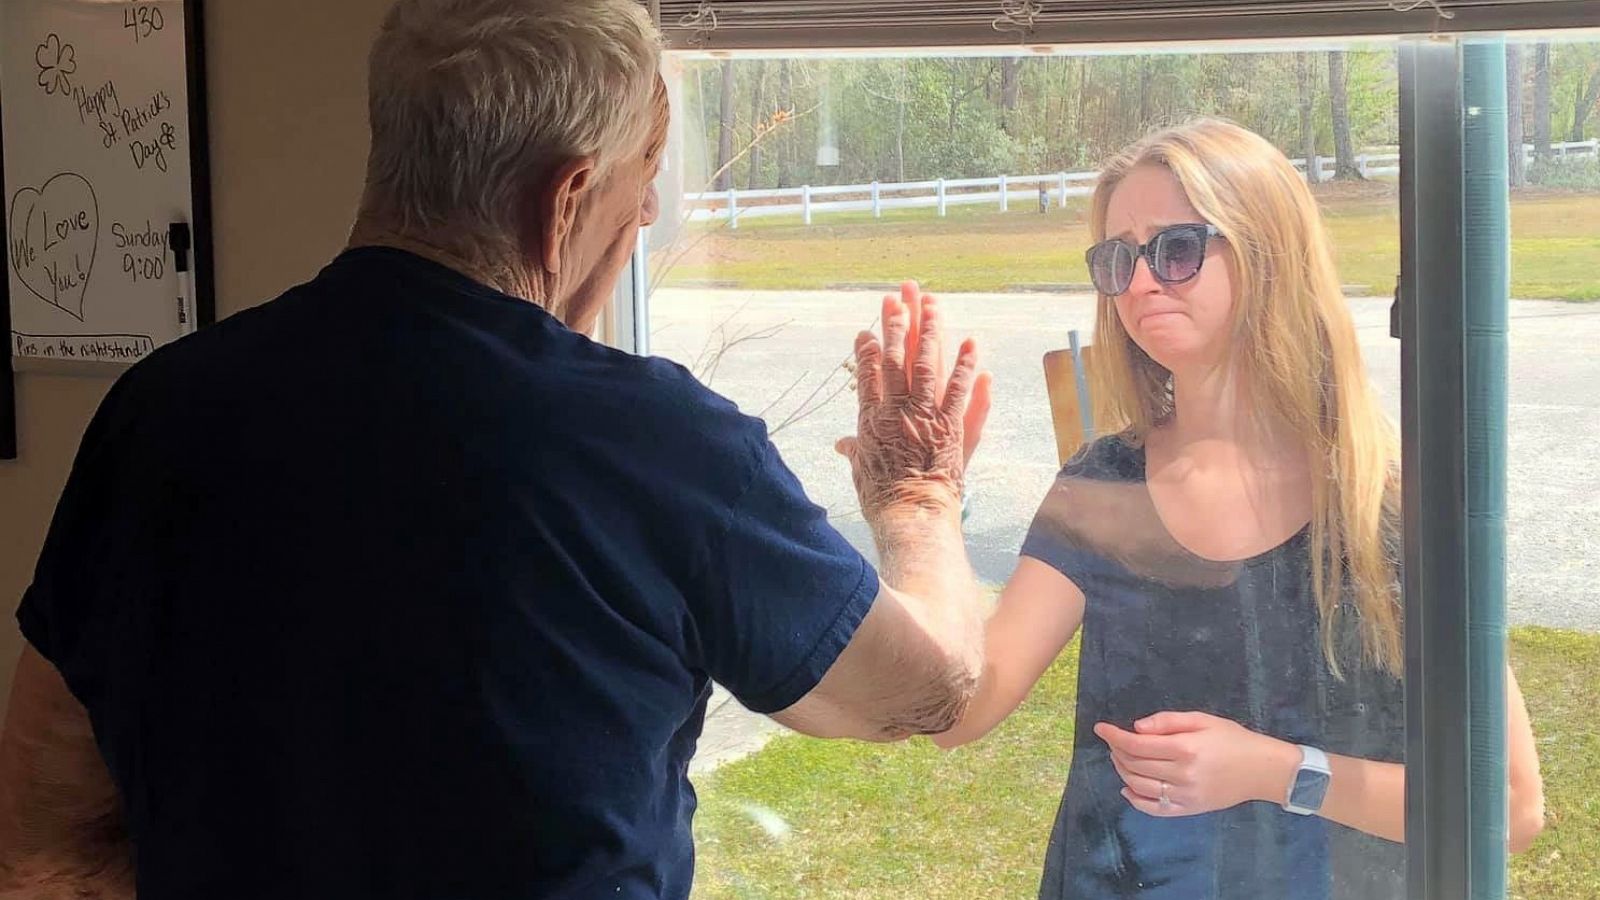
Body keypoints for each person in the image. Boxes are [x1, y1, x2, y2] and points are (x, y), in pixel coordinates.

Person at [0, 2, 994, 898]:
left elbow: (44, 843)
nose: (644, 221)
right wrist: (918, 495)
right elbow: (921, 688)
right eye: (643, 187)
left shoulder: (157, 413)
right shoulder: (657, 447)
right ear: (566, 198)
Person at [927, 119, 1545, 899]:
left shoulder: (1388, 504)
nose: (1142, 283)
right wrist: (925, 506)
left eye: (1176, 248)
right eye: (1118, 259)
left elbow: (1510, 809)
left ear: (1268, 254)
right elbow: (959, 714)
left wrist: (1276, 771)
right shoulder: (1102, 483)